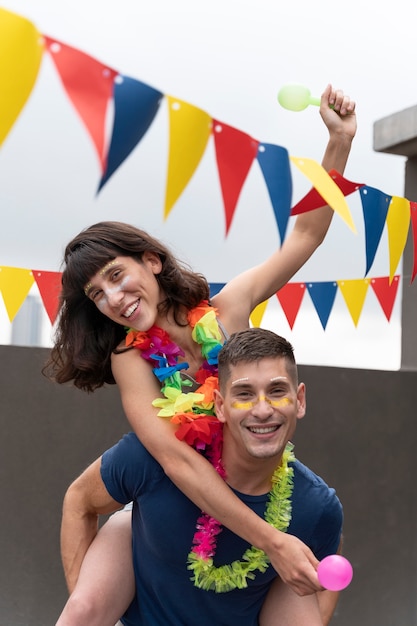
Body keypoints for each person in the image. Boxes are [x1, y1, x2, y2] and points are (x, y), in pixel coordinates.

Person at [47, 83, 356, 624]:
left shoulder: (230, 307)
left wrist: (339, 144)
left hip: (249, 471)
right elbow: (173, 457)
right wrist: (271, 542)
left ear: (153, 262)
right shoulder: (130, 356)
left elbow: (306, 233)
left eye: (117, 276)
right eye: (97, 294)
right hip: (171, 483)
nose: (113, 299)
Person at [57, 328, 344, 625]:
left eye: (277, 391)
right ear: (220, 405)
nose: (262, 410)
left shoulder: (317, 508)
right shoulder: (151, 458)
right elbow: (80, 500)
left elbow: (319, 588)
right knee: (83, 608)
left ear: (299, 400)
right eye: (244, 394)